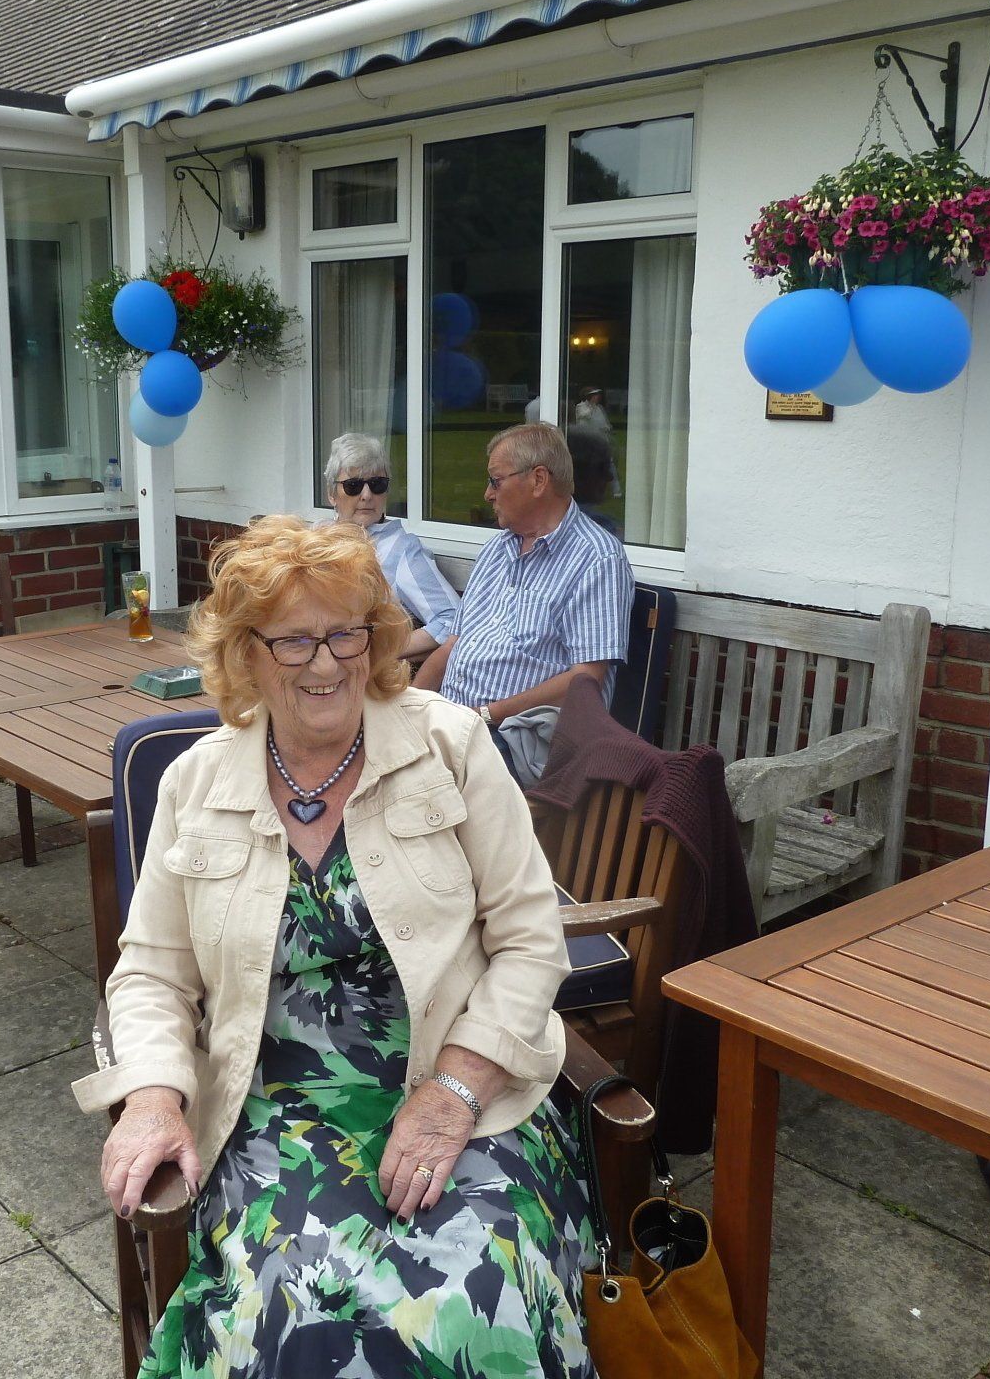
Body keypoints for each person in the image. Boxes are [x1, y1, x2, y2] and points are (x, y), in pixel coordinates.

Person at [74, 515, 594, 1378]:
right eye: (293, 641)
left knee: (470, 1308)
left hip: (461, 1092)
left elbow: (532, 939)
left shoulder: (451, 745)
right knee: (290, 1316)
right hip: (273, 1112)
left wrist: (457, 1090)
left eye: (346, 633)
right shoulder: (196, 783)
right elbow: (154, 972)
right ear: (246, 655)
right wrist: (155, 1097)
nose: (326, 664)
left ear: (376, 636)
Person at [415, 422, 633, 784]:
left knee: (413, 783)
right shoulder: (498, 548)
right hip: (459, 724)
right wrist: (412, 705)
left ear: (538, 480)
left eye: (495, 481)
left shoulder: (596, 559)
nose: (487, 494)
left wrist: (485, 715)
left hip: (521, 738)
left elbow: (586, 679)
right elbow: (453, 645)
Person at [322, 431, 459, 660]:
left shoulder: (402, 549)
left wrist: (376, 654)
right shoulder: (315, 535)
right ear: (331, 494)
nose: (367, 495)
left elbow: (451, 621)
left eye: (377, 484)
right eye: (353, 485)